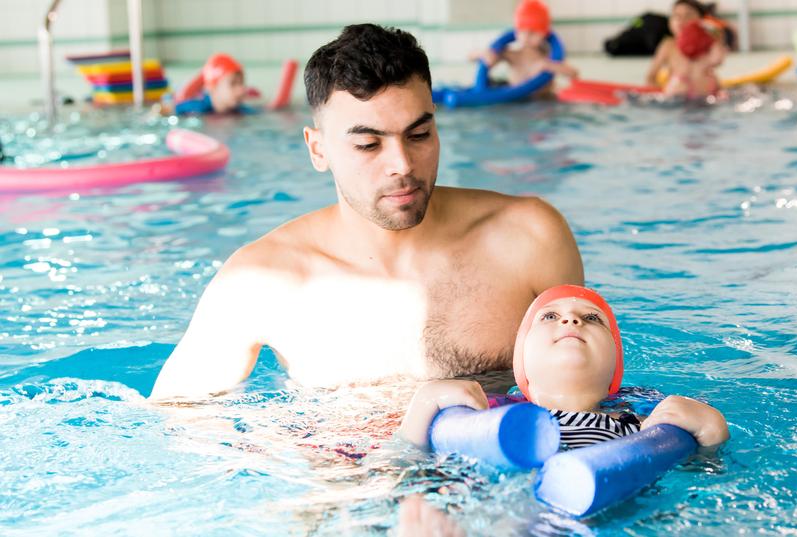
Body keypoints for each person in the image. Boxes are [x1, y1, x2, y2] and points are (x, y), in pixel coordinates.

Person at [149, 24, 583, 401]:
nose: (402, 164)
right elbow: (177, 423)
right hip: (347, 490)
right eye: (368, 144)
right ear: (318, 149)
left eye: (419, 134)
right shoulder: (261, 280)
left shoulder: (528, 238)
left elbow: (592, 393)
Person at [399, 285, 729, 449]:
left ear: (616, 362)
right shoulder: (486, 408)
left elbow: (694, 471)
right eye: (549, 317)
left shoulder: (646, 410)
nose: (571, 320)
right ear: (521, 359)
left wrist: (711, 433)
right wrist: (424, 405)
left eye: (592, 319)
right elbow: (408, 461)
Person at [471, 0, 579, 97]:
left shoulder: (549, 57)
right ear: (516, 32)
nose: (527, 36)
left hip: (544, 102)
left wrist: (548, 65)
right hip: (516, 101)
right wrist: (483, 53)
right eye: (522, 31)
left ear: (545, 33)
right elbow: (470, 57)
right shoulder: (512, 55)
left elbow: (574, 73)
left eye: (533, 32)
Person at [645, 0, 727, 99]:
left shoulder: (709, 43)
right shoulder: (668, 45)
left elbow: (718, 60)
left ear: (701, 20)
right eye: (677, 16)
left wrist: (714, 35)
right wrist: (660, 94)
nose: (682, 20)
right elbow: (650, 77)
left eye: (688, 15)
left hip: (708, 94)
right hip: (677, 93)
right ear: (670, 22)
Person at [173, 53, 254, 115]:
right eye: (233, 84)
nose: (241, 90)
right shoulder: (194, 109)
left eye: (242, 83)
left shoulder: (243, 111)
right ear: (212, 87)